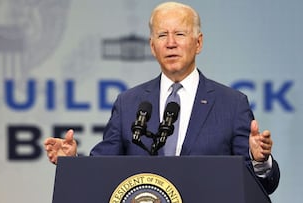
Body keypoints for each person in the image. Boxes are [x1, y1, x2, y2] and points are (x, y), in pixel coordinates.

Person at [44, 1, 280, 195]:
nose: (170, 43)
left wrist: (259, 161)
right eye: (162, 35)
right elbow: (102, 169)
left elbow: (264, 186)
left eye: (179, 34)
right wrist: (72, 162)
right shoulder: (128, 103)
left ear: (198, 43)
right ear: (152, 46)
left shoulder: (231, 103)